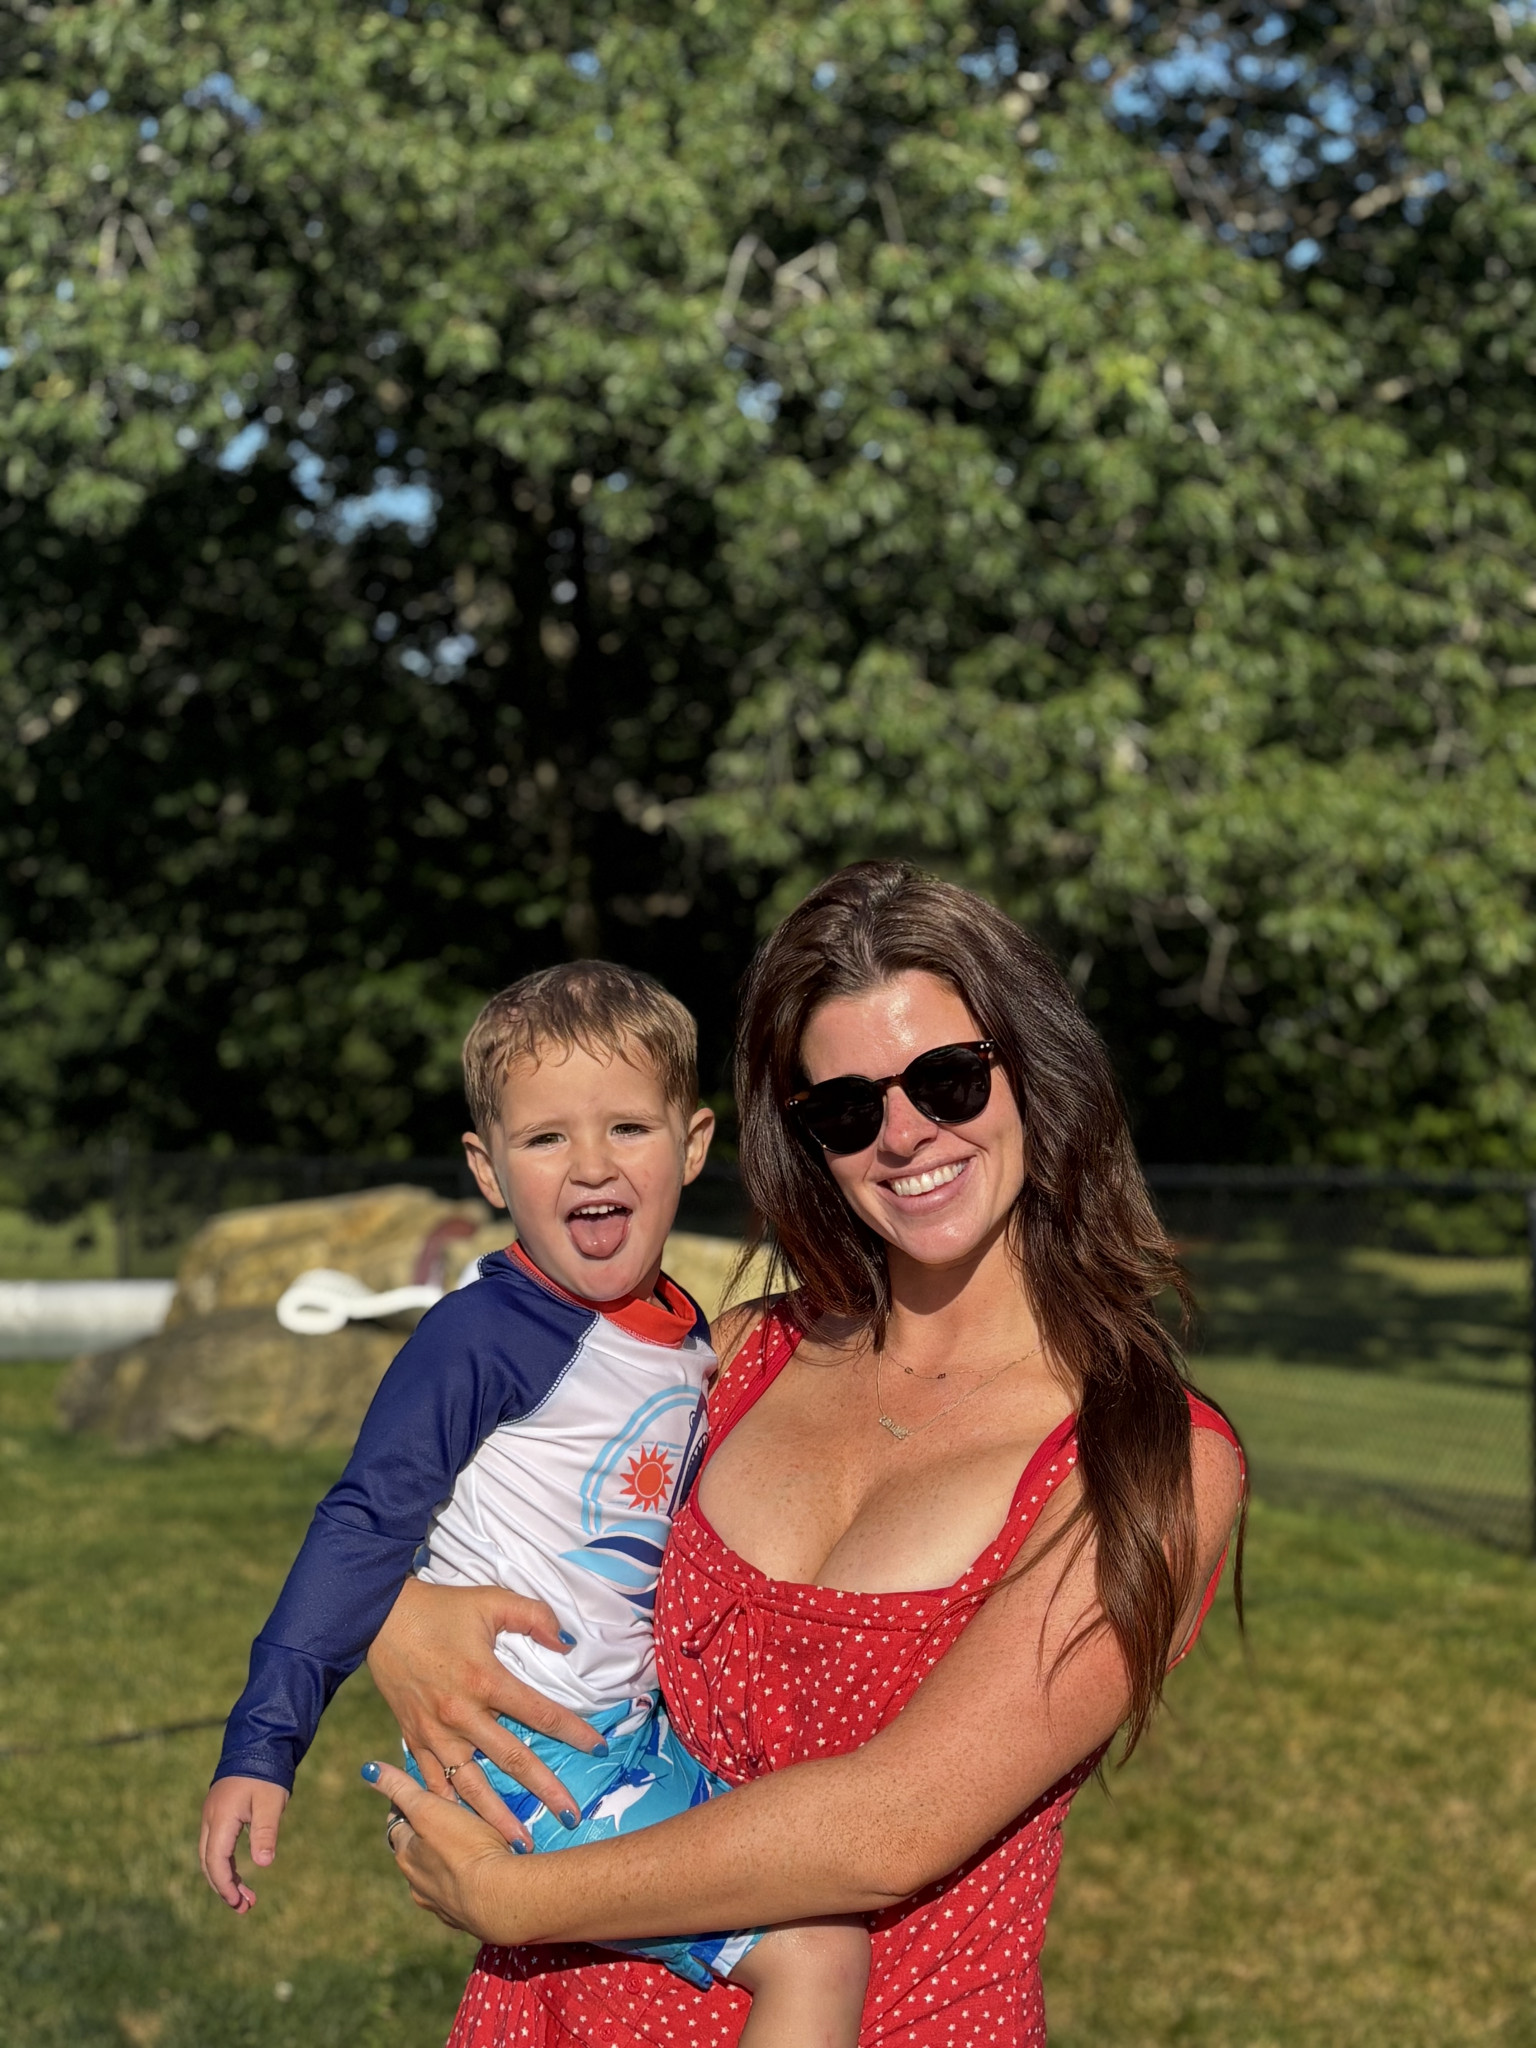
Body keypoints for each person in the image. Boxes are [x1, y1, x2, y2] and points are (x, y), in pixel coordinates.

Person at [361, 860, 1248, 2047]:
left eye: (947, 1077)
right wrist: (393, 1616)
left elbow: (893, 1824)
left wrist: (510, 1893)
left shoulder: (1149, 1460)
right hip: (555, 2007)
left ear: (1037, 1071)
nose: (903, 1134)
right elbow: (495, 1518)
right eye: (845, 1108)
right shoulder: (736, 1359)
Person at [198, 961, 871, 2046]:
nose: (592, 1163)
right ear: (488, 1167)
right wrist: (260, 1742)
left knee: (816, 1856)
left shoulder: (687, 1333)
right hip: (525, 1755)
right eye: (548, 1136)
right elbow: (363, 1521)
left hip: (628, 1738)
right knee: (819, 1951)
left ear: (694, 1144)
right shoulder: (481, 1336)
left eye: (627, 1128)